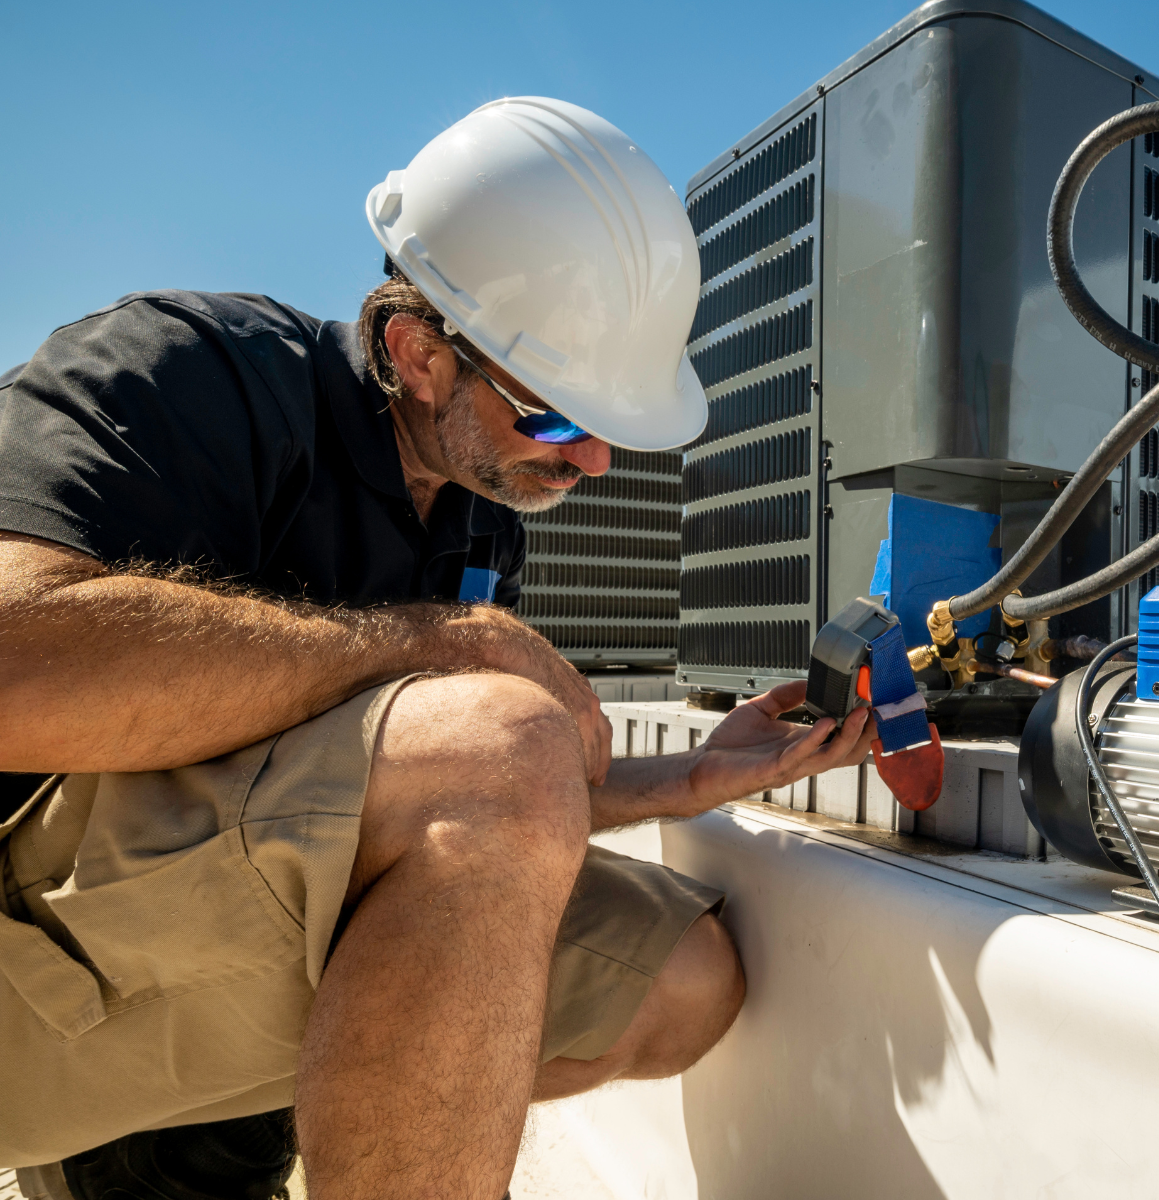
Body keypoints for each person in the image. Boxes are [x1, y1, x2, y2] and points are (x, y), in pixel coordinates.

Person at [0, 97, 876, 1199]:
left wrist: (699, 777)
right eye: (558, 417)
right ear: (418, 355)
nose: (597, 459)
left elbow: (474, 809)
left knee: (682, 978)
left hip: (235, 972)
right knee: (498, 734)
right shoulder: (191, 377)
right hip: (34, 972)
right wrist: (436, 639)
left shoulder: (477, 515)